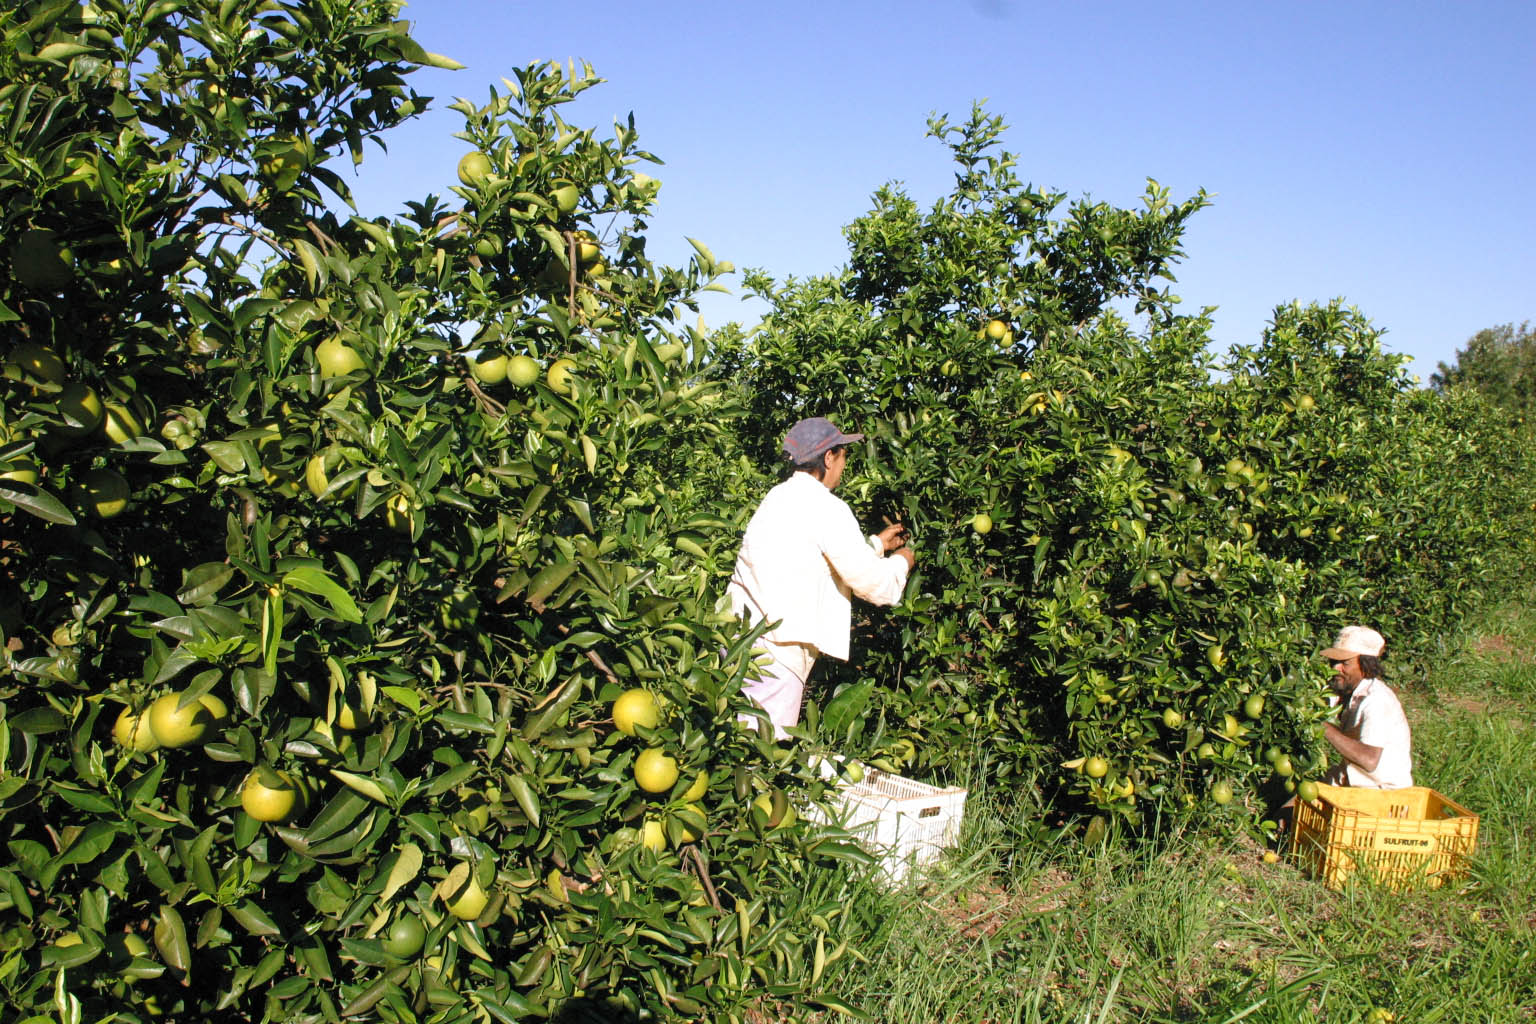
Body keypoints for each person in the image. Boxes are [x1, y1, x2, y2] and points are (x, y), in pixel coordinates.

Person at [728, 417, 914, 737]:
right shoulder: (828, 508)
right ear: (829, 457)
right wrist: (902, 562)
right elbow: (875, 584)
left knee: (735, 737)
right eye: (843, 455)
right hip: (776, 653)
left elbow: (812, 557)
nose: (844, 465)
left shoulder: (778, 497)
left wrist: (878, 544)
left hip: (738, 639)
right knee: (763, 752)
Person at [1319, 625, 1413, 789]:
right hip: (1352, 779)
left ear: (1365, 664)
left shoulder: (1377, 700)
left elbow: (1369, 760)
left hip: (1381, 790)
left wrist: (1321, 726)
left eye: (1345, 663)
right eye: (1334, 661)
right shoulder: (1343, 691)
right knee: (1287, 809)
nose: (1335, 668)